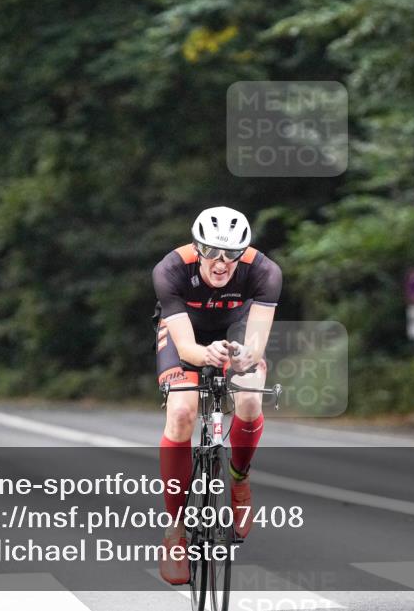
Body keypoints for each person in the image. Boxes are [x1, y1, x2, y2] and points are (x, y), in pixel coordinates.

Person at [152, 206, 282, 584]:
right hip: (185, 335)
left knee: (250, 396)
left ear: (244, 252)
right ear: (197, 247)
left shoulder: (265, 272)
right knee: (180, 413)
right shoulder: (171, 270)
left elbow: (255, 346)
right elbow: (188, 348)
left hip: (236, 328)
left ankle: (239, 479)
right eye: (211, 252)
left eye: (231, 254)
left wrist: (243, 358)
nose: (221, 263)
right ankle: (175, 532)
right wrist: (203, 355)